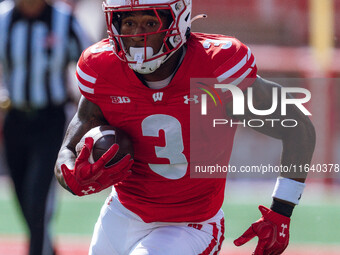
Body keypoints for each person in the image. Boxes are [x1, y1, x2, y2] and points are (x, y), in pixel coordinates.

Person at [54, 0, 316, 254]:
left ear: (176, 20)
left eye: (149, 22)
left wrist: (282, 210)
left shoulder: (215, 65)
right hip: (121, 214)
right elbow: (72, 141)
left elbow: (297, 126)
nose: (137, 35)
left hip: (190, 225)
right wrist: (69, 172)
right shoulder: (102, 66)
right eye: (129, 22)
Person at [0, 0, 92, 254]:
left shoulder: (64, 20)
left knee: (38, 199)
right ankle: (47, 249)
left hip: (50, 120)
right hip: (15, 119)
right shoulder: (3, 18)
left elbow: (92, 62)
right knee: (23, 200)